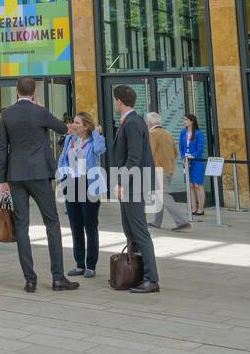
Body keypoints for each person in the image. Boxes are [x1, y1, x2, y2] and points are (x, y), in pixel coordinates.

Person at [0, 77, 77, 293]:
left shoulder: (7, 114)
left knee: (22, 226)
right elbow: (63, 128)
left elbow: (2, 147)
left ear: (16, 91)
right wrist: (41, 108)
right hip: (40, 174)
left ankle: (30, 280)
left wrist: (2, 179)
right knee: (52, 222)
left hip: (16, 175)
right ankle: (58, 278)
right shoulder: (40, 112)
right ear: (34, 92)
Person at [110, 85, 160, 293]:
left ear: (119, 102)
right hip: (134, 183)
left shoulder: (131, 123)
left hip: (134, 184)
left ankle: (151, 278)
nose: (114, 104)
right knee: (130, 231)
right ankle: (136, 273)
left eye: (115, 101)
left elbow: (133, 157)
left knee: (139, 232)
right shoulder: (134, 121)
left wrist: (121, 181)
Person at [56, 111, 106, 277]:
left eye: (77, 123)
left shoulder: (94, 141)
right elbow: (62, 160)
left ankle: (91, 265)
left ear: (85, 126)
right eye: (73, 123)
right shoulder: (70, 140)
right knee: (75, 226)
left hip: (89, 184)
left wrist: (97, 133)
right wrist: (63, 179)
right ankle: (79, 264)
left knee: (90, 226)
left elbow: (100, 150)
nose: (72, 125)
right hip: (71, 184)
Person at [146, 112, 191, 232]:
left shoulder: (152, 134)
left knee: (162, 195)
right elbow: (176, 153)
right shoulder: (168, 134)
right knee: (159, 195)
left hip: (158, 169)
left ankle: (182, 221)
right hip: (169, 169)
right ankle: (156, 221)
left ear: (149, 123)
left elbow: (149, 152)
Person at [179, 113, 207, 216]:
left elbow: (200, 149)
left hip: (197, 162)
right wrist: (183, 158)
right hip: (186, 162)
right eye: (184, 119)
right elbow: (181, 147)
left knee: (198, 185)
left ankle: (201, 208)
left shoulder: (199, 134)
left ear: (192, 121)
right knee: (190, 185)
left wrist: (192, 156)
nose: (184, 121)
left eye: (186, 120)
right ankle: (193, 208)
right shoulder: (183, 132)